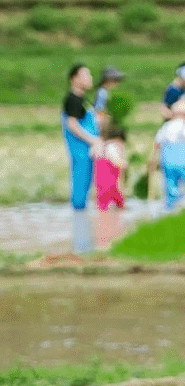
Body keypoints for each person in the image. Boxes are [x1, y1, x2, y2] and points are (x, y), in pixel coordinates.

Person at [62, 64, 102, 254]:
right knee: (80, 189)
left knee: (86, 188)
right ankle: (80, 243)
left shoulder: (80, 100)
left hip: (86, 151)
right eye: (86, 74)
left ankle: (83, 238)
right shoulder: (72, 100)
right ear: (75, 78)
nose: (90, 77)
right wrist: (93, 139)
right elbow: (72, 125)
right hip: (80, 151)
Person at [94, 124, 127, 212]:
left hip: (101, 185)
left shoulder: (102, 147)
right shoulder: (112, 147)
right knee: (119, 206)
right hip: (111, 185)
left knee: (103, 207)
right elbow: (117, 162)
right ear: (118, 139)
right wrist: (124, 164)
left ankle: (103, 222)